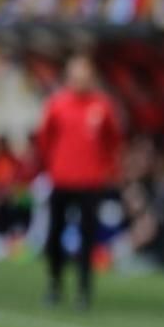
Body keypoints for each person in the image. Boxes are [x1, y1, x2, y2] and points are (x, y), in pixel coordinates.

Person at [36, 53, 123, 310]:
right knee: (54, 234)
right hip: (61, 180)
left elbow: (113, 141)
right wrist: (53, 166)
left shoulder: (102, 106)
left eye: (84, 75)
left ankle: (84, 290)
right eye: (75, 75)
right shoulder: (57, 104)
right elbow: (44, 140)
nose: (80, 80)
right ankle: (55, 283)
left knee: (87, 239)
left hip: (90, 183)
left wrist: (107, 169)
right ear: (68, 77)